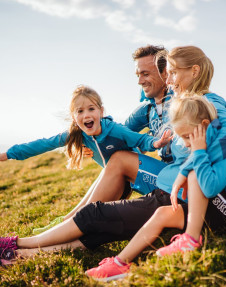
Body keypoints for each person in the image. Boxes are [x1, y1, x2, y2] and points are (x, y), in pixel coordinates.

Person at [0, 46, 226, 266]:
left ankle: (41, 238)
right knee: (108, 190)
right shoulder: (150, 106)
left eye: (149, 73)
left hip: (184, 187)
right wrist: (93, 140)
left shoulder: (198, 102)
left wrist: (193, 163)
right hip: (172, 181)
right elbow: (119, 132)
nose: (142, 80)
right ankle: (49, 235)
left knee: (101, 209)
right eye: (138, 74)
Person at [85, 93, 226, 281]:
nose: (187, 143)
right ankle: (120, 264)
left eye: (188, 137)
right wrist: (182, 174)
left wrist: (196, 156)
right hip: (215, 206)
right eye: (182, 138)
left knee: (195, 174)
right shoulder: (205, 140)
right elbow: (195, 165)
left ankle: (191, 239)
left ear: (204, 126)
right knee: (161, 214)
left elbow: (209, 188)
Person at [31, 45, 174, 234]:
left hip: (183, 179)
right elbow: (116, 135)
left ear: (166, 72)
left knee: (120, 159)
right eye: (138, 75)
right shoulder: (147, 109)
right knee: (118, 158)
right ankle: (70, 219)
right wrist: (90, 143)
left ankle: (76, 222)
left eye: (145, 74)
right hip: (166, 174)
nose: (140, 81)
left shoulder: (185, 102)